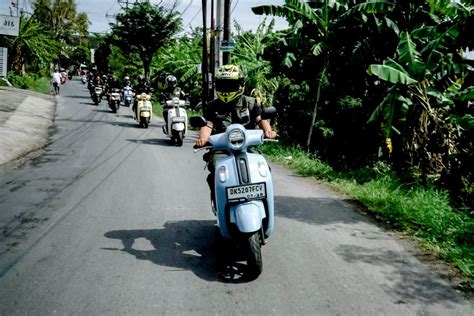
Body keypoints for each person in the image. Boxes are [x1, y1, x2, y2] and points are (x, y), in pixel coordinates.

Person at [194, 64, 277, 201]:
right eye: (223, 84)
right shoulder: (212, 106)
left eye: (230, 85)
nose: (226, 88)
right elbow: (207, 126)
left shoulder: (249, 103)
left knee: (264, 168)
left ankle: (263, 200)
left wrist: (268, 131)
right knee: (216, 171)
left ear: (240, 85)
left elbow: (260, 119)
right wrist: (202, 139)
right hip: (221, 149)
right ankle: (219, 201)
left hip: (246, 147)